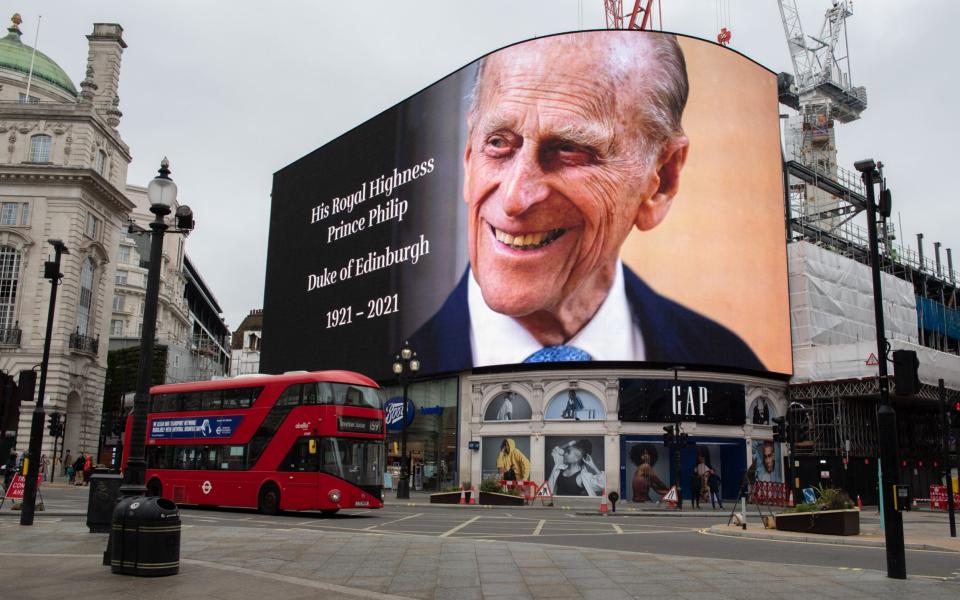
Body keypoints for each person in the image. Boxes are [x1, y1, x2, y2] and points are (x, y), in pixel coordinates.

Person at [409, 32, 763, 373]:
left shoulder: (730, 361)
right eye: (499, 143)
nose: (515, 198)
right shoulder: (395, 378)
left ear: (662, 179)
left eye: (568, 150)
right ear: (470, 156)